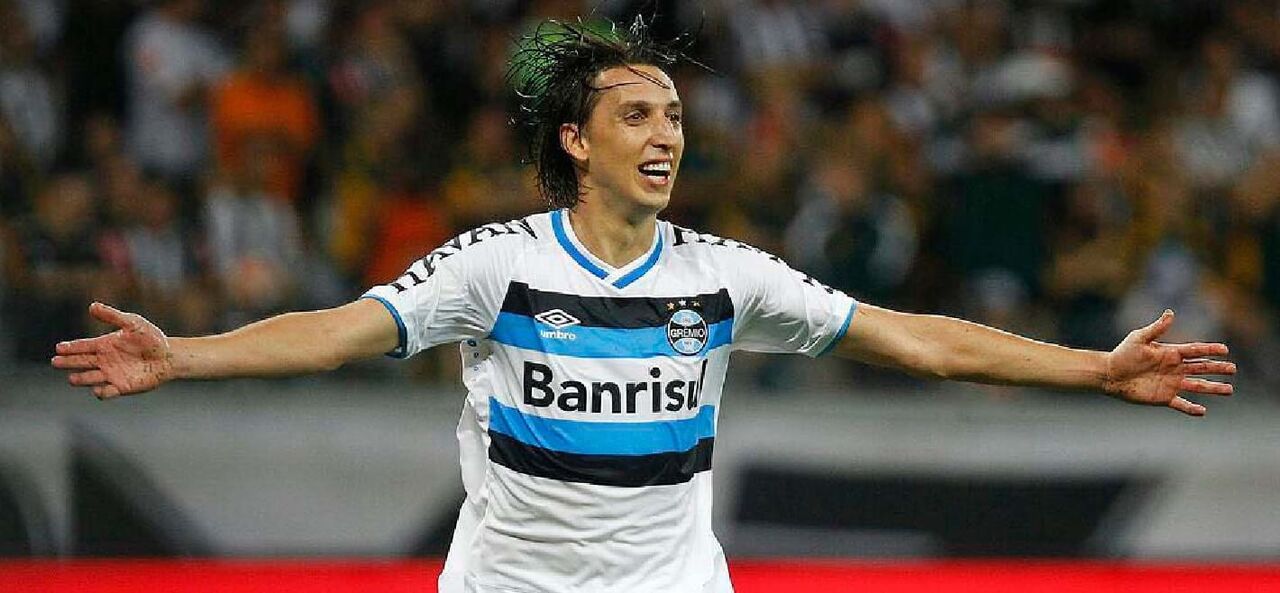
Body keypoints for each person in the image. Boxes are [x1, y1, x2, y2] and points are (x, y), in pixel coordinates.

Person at [51, 18, 1235, 593]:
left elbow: (915, 339)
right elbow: (339, 329)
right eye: (636, 115)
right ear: (575, 140)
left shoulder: (724, 276)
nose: (665, 134)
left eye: (672, 116)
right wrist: (184, 355)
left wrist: (1092, 368)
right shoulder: (495, 264)